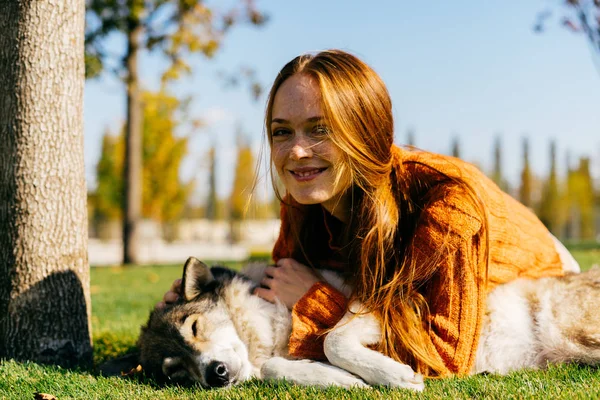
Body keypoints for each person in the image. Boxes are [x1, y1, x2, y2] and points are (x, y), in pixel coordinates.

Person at [158, 49, 580, 377]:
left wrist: (318, 303)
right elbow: (280, 291)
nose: (296, 151)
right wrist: (196, 313)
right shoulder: (302, 200)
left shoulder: (446, 202)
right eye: (282, 131)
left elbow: (446, 358)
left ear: (365, 131)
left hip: (539, 276)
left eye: (319, 129)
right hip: (404, 298)